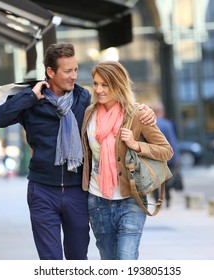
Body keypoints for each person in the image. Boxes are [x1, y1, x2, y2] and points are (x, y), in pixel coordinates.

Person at [0, 43, 157, 260]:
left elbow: (119, 107)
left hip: (77, 190)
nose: (74, 76)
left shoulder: (84, 100)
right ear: (50, 72)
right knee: (50, 259)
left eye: (76, 69)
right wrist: (30, 97)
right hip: (42, 190)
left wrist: (146, 111)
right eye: (68, 71)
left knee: (78, 257)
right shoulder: (31, 102)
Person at [81, 61, 173, 260]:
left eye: (105, 85)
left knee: (126, 258)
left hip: (131, 199)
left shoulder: (137, 114)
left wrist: (136, 144)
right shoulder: (89, 114)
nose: (98, 90)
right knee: (109, 260)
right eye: (96, 84)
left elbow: (166, 151)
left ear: (118, 85)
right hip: (97, 200)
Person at [152, 102, 183, 208]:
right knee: (167, 180)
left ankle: (157, 201)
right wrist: (175, 158)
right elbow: (172, 142)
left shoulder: (148, 124)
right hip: (166, 157)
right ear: (161, 112)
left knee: (154, 180)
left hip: (153, 157)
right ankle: (168, 200)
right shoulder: (167, 124)